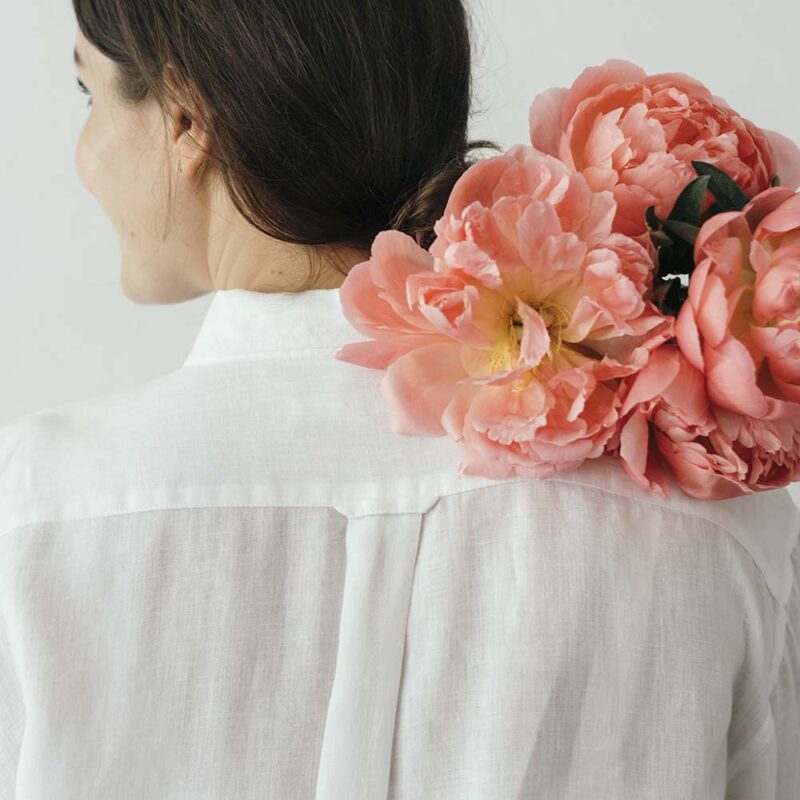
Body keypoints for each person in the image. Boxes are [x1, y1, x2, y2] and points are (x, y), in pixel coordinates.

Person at [0, 1, 798, 798]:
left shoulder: (42, 510)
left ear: (183, 118)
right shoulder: (720, 529)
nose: (81, 154)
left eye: (89, 95)